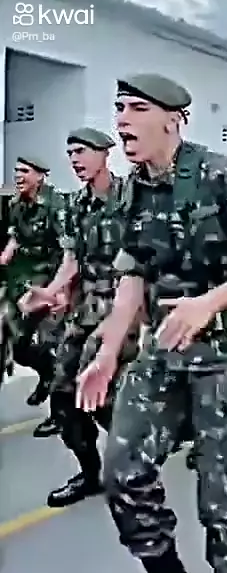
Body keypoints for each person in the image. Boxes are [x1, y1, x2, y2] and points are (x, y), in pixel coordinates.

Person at [75, 73, 227, 573]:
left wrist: (208, 303)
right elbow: (133, 272)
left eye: (136, 109)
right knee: (122, 472)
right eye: (119, 108)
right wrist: (108, 352)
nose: (122, 120)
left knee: (220, 494)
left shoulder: (222, 176)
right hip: (164, 349)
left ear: (173, 122)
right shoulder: (133, 188)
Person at [21, 128, 139, 507]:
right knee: (62, 397)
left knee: (108, 400)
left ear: (105, 153)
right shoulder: (77, 205)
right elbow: (71, 260)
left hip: (127, 312)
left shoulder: (132, 198)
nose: (75, 159)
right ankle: (91, 474)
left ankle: (136, 468)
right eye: (70, 153)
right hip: (87, 310)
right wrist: (51, 291)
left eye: (82, 151)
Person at [0, 156, 66, 437]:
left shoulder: (55, 205)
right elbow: (15, 237)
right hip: (22, 278)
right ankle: (47, 373)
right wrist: (5, 256)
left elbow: (68, 251)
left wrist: (59, 292)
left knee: (56, 347)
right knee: (18, 344)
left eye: (25, 171)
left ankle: (60, 415)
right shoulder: (16, 204)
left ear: (40, 176)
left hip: (49, 281)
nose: (18, 176)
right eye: (16, 171)